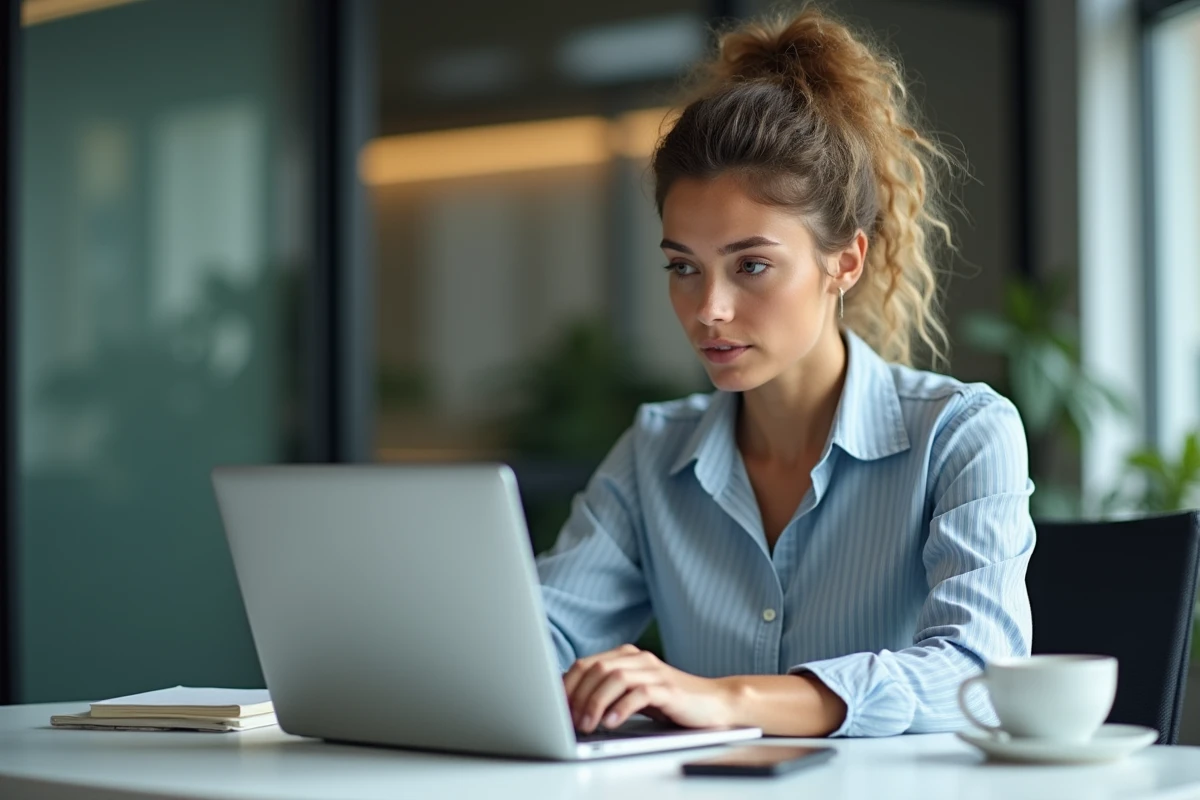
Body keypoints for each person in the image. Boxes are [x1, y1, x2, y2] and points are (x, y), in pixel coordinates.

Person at [535, 3, 1034, 739]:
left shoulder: (962, 434)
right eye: (683, 267)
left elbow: (977, 671)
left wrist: (729, 700)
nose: (709, 309)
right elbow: (540, 633)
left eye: (752, 266)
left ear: (846, 262)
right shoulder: (655, 451)